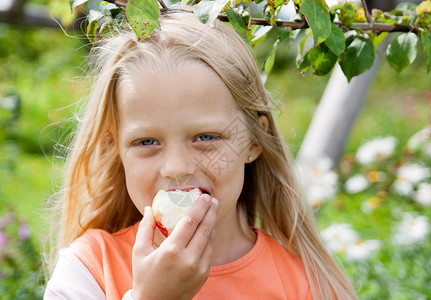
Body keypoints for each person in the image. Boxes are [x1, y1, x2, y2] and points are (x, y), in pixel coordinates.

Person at [44, 7, 357, 300]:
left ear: (252, 140)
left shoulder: (306, 284)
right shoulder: (89, 269)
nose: (177, 168)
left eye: (205, 137)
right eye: (147, 142)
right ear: (115, 149)